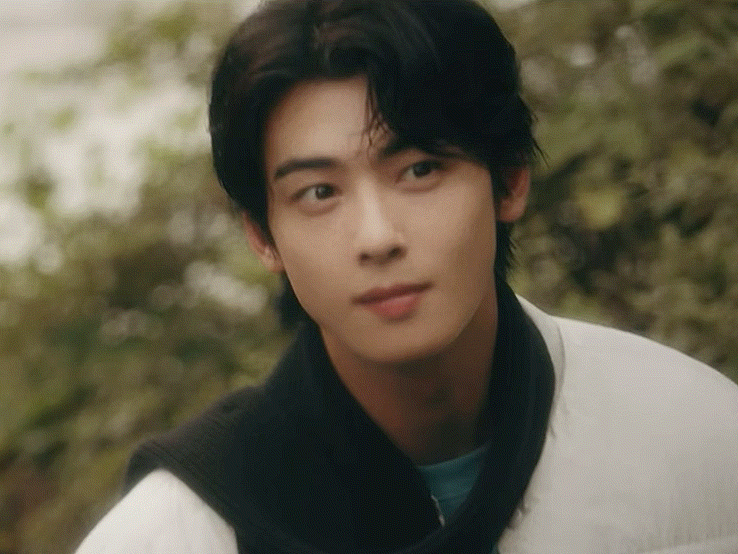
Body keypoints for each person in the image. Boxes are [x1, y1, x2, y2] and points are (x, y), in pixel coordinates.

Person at [75, 0, 738, 553]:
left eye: (420, 170)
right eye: (318, 192)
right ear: (262, 236)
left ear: (509, 180)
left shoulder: (696, 441)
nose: (377, 237)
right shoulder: (176, 536)